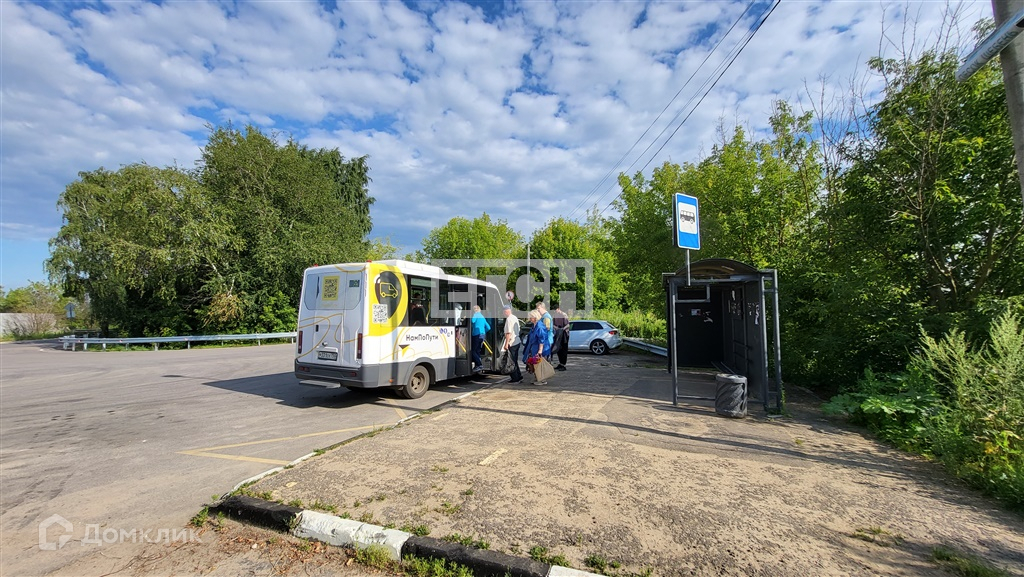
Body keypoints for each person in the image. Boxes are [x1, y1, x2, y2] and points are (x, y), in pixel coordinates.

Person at [522, 310, 551, 385]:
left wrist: (540, 350)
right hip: (534, 348)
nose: (530, 318)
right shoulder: (535, 325)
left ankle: (542, 380)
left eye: (531, 317)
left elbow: (542, 339)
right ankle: (537, 378)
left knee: (539, 364)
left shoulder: (540, 326)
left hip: (540, 348)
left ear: (535, 317)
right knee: (535, 363)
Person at [501, 305, 523, 383]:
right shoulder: (514, 317)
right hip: (517, 341)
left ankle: (515, 378)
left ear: (506, 311)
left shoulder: (509, 319)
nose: (503, 313)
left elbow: (508, 333)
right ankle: (519, 375)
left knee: (511, 361)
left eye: (503, 311)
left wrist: (506, 344)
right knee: (515, 360)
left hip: (512, 342)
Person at [470, 305, 490, 373]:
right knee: (477, 351)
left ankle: (479, 364)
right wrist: (483, 332)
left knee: (473, 351)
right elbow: (488, 327)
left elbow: (472, 321)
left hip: (476, 335)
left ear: (474, 310)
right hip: (482, 335)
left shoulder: (476, 315)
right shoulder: (482, 316)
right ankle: (477, 366)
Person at [551, 305, 569, 371]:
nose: (555, 311)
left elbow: (567, 325)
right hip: (558, 333)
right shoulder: (555, 316)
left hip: (564, 334)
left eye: (555, 310)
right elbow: (553, 324)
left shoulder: (564, 315)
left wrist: (562, 329)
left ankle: (563, 364)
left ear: (558, 309)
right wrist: (556, 328)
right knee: (558, 348)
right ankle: (560, 363)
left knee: (564, 349)